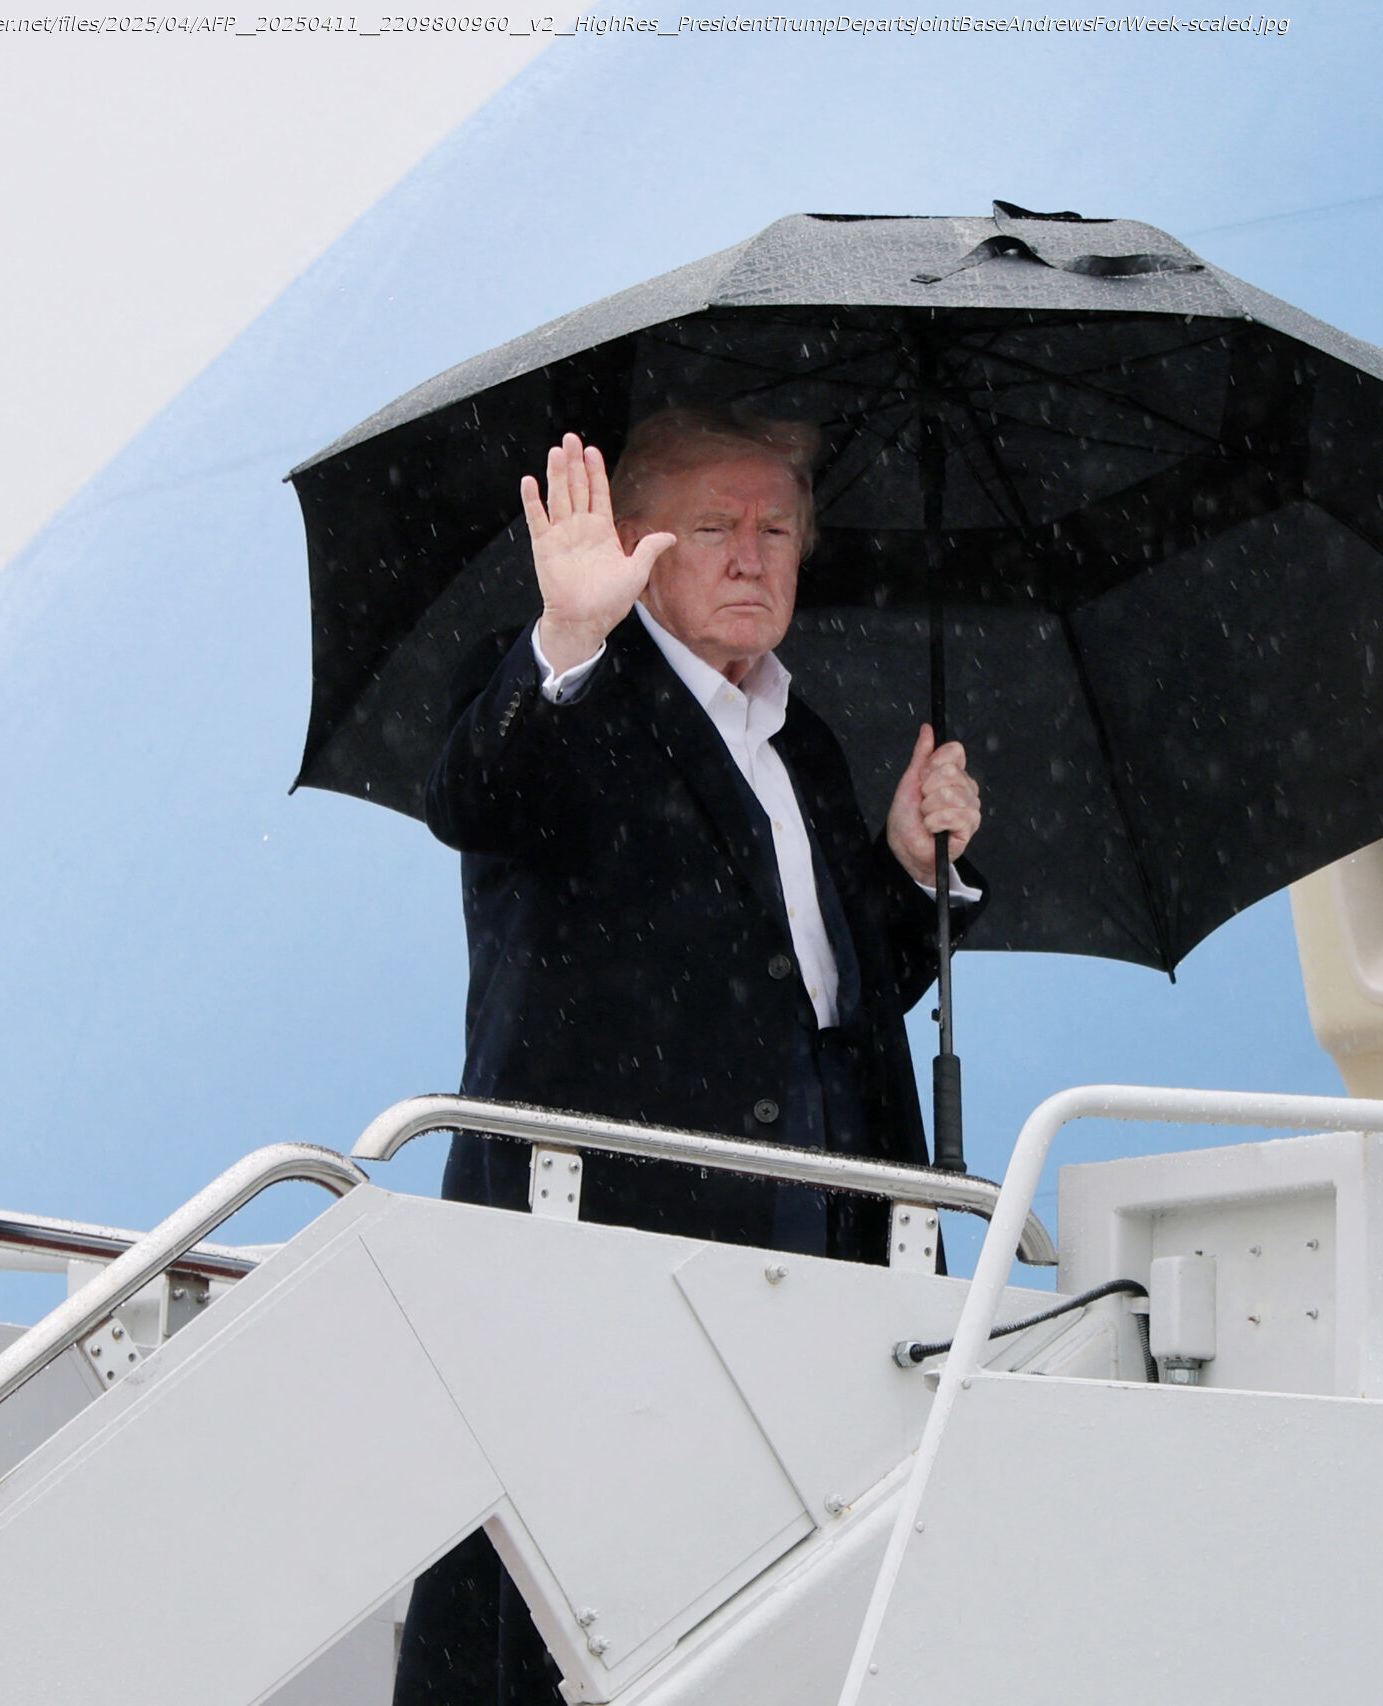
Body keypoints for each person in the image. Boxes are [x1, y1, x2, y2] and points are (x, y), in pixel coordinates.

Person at [392, 407, 984, 1705]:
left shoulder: (802, 739)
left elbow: (836, 993)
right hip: (620, 1231)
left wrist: (907, 869)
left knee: (787, 1590)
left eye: (776, 528)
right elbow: (473, 796)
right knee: (571, 1602)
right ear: (640, 547)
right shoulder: (572, 689)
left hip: (820, 1231)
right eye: (713, 526)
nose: (750, 555)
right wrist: (566, 634)